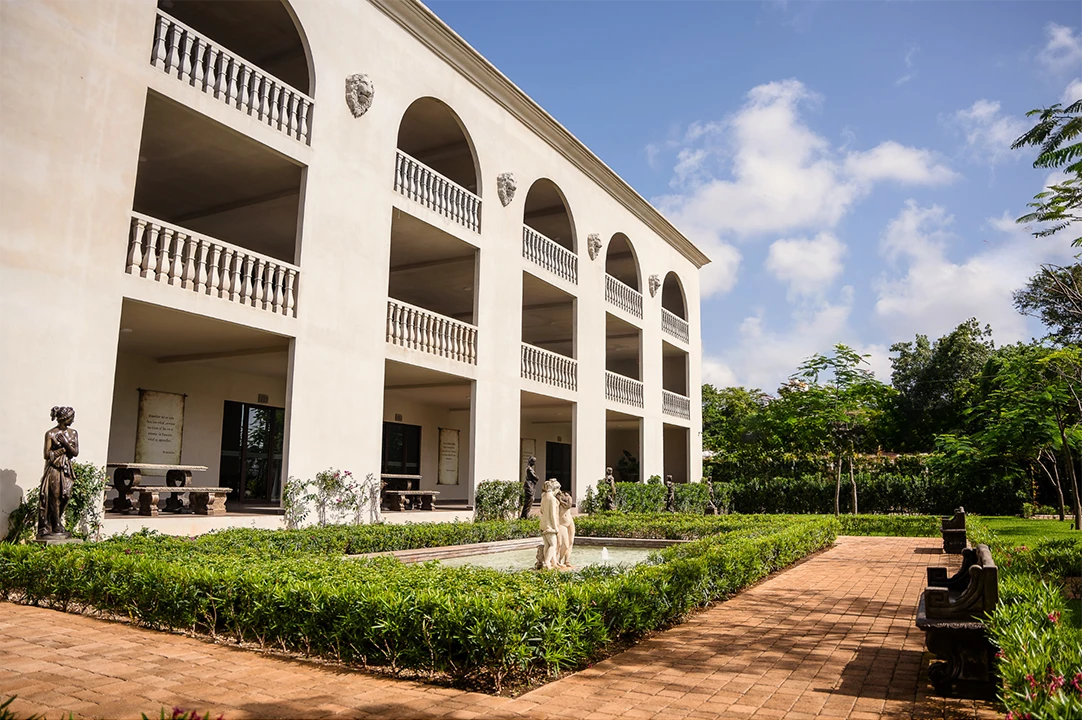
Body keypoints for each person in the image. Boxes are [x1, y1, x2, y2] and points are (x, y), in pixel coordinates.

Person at [38, 406, 78, 539]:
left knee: (66, 495)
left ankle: (56, 520)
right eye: (71, 417)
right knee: (54, 496)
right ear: (64, 418)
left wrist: (65, 444)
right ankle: (55, 524)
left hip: (66, 467)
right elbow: (46, 454)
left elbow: (75, 452)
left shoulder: (73, 433)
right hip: (54, 468)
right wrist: (61, 451)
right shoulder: (50, 434)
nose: (73, 420)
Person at [538, 479, 561, 569]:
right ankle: (547, 562)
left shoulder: (544, 497)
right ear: (556, 489)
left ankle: (553, 563)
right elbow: (553, 515)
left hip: (543, 524)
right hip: (549, 525)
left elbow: (541, 510)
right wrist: (555, 527)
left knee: (547, 545)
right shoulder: (552, 499)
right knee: (553, 545)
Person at [557, 489, 576, 567]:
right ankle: (559, 560)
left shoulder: (567, 499)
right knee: (565, 544)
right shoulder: (556, 499)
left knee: (571, 541)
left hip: (570, 521)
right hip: (562, 523)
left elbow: (569, 505)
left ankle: (567, 560)